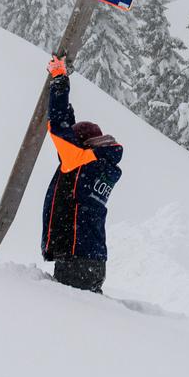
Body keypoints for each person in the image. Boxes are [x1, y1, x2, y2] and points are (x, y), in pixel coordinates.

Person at [41, 55, 123, 293]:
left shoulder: (80, 160)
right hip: (94, 258)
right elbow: (68, 128)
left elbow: (58, 124)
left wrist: (59, 80)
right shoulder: (98, 162)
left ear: (81, 143)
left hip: (75, 258)